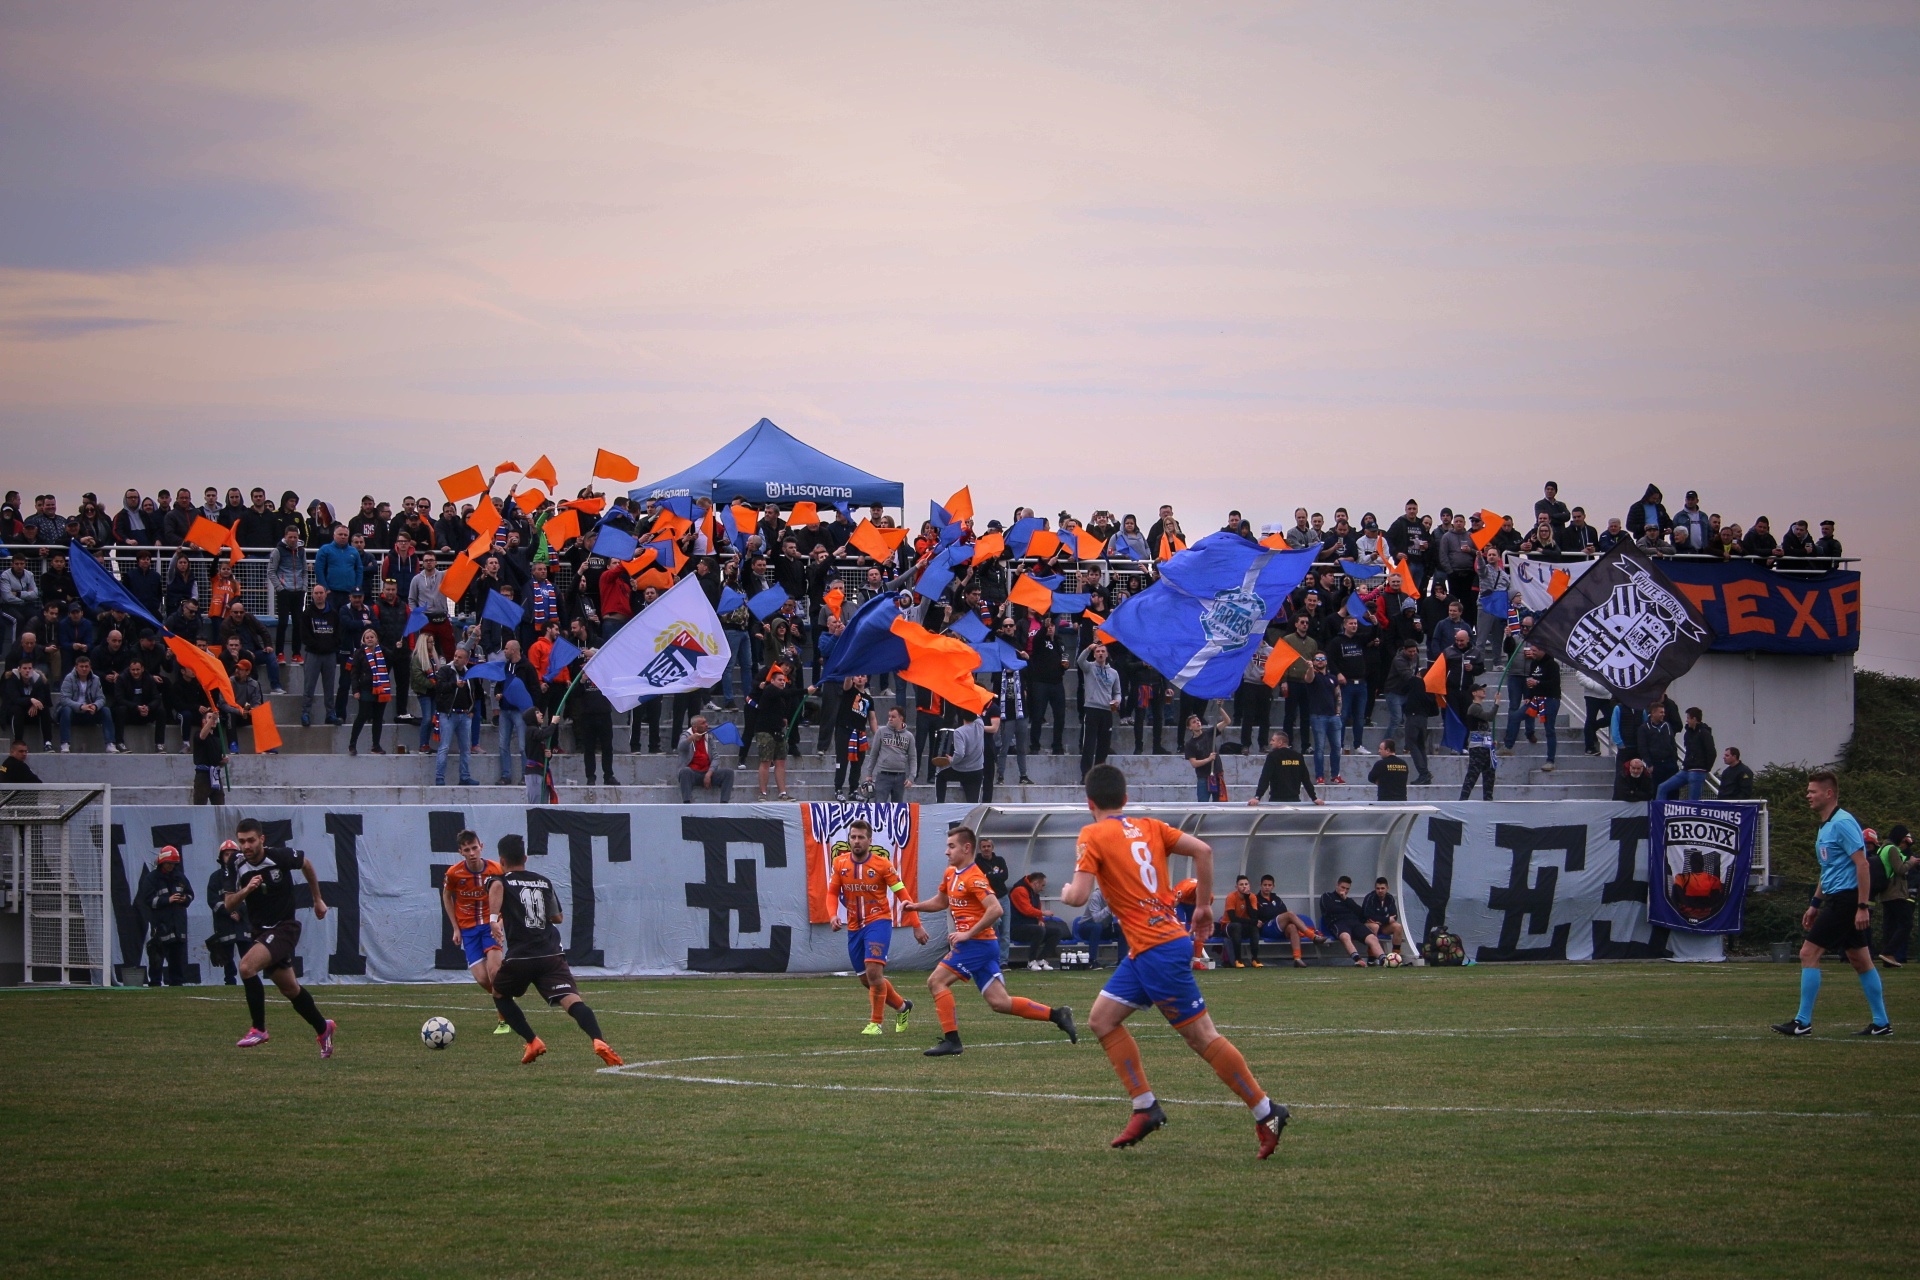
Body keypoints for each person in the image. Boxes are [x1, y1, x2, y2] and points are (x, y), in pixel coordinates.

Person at [1059, 763, 1287, 1157]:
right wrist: (1203, 908)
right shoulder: (1150, 825)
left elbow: (1078, 898)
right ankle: (1145, 1106)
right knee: (1101, 1019)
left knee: (1202, 1037)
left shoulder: (1092, 833)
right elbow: (1203, 850)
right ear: (1126, 800)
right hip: (1149, 947)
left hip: (1157, 949)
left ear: (1089, 803)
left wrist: (1065, 892)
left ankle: (1267, 1110)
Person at [902, 825, 1078, 1057]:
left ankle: (952, 1040)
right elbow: (941, 902)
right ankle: (1057, 1014)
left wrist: (966, 934)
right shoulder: (950, 874)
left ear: (966, 848)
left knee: (936, 982)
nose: (947, 852)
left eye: (951, 846)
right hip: (979, 945)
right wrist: (916, 906)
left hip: (977, 945)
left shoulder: (975, 877)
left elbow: (995, 910)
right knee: (1000, 1002)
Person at [487, 835, 625, 1066]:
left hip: (522, 956)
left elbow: (497, 885)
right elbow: (557, 918)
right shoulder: (543, 881)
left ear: (501, 860)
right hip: (551, 954)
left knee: (499, 994)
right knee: (572, 1001)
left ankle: (532, 1041)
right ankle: (598, 1040)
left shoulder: (500, 880)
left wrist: (493, 919)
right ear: (525, 858)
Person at [1774, 770, 1890, 1037]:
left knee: (1807, 953)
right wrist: (1815, 903)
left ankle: (1802, 1022)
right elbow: (1828, 870)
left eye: (1812, 791)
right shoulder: (1826, 825)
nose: (1808, 795)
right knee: (1860, 959)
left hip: (1847, 899)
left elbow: (1862, 865)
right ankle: (1881, 1022)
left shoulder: (1843, 822)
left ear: (1829, 794)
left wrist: (1862, 906)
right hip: (1838, 897)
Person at [225, 817, 336, 1056]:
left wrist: (317, 899)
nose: (247, 846)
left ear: (261, 839)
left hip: (285, 928)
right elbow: (228, 904)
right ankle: (323, 1027)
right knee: (290, 989)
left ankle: (259, 1029)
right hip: (261, 932)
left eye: (251, 840)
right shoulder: (236, 863)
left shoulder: (279, 857)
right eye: (242, 841)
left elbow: (306, 864)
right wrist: (246, 890)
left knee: (246, 967)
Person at [826, 818, 927, 1035]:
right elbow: (832, 892)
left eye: (861, 837)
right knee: (868, 980)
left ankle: (876, 1023)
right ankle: (902, 1007)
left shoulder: (883, 865)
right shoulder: (840, 863)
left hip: (878, 921)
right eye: (853, 837)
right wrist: (833, 915)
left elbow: (902, 894)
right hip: (854, 927)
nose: (856, 841)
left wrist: (916, 925)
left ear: (869, 841)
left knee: (873, 972)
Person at [442, 830, 507, 1033]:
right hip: (468, 929)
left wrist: (500, 921)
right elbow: (447, 896)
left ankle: (504, 1019)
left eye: (474, 848)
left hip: (490, 925)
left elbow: (506, 896)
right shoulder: (454, 873)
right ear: (461, 852)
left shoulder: (496, 869)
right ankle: (506, 996)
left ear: (481, 846)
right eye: (467, 849)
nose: (472, 853)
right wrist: (455, 927)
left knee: (494, 972)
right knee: (482, 979)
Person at [138, 846, 195, 986]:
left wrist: (185, 899)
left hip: (178, 924)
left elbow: (190, 894)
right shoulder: (152, 878)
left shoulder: (180, 877)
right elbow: (147, 900)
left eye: (173, 864)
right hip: (161, 923)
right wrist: (167, 900)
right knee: (157, 954)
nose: (171, 866)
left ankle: (177, 982)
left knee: (177, 955)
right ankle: (155, 982)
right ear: (162, 862)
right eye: (168, 863)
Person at [431, 645, 478, 786]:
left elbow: (475, 693)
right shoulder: (446, 670)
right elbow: (439, 687)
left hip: (464, 715)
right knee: (444, 747)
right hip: (449, 714)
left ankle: (464, 777)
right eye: (455, 656)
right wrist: (454, 685)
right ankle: (439, 778)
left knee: (465, 748)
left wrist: (472, 709)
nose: (456, 659)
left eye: (459, 657)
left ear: (466, 660)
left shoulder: (469, 674)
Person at [1255, 874, 1322, 968]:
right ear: (1260, 885)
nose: (1267, 887)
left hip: (1279, 927)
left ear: (1273, 886)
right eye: (1265, 885)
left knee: (1292, 927)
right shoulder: (1255, 899)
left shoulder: (1276, 899)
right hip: (1267, 927)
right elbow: (1252, 914)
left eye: (1269, 885)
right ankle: (1312, 935)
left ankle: (1297, 958)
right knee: (1290, 914)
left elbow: (1283, 912)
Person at [1008, 871, 1070, 969]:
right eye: (1042, 885)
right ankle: (1031, 961)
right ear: (1036, 883)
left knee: (1057, 932)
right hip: (1016, 928)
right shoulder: (1019, 890)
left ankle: (1041, 959)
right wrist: (1043, 913)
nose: (1043, 889)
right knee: (1039, 930)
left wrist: (1040, 920)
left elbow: (1037, 908)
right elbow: (1026, 910)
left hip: (1030, 927)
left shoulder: (1034, 893)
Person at [55, 655, 115, 753]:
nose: (84, 669)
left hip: (90, 712)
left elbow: (101, 698)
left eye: (86, 666)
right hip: (73, 713)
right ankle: (65, 743)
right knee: (65, 709)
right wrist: (81, 706)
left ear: (90, 667)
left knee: (106, 710)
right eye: (81, 666)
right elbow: (64, 699)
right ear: (76, 667)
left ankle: (110, 743)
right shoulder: (69, 678)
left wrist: (95, 706)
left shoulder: (96, 679)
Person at [1077, 641, 1120, 775]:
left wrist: (1117, 701)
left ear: (1107, 654)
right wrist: (1088, 648)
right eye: (1098, 652)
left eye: (1102, 651)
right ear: (1094, 655)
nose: (1100, 653)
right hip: (1092, 709)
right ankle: (1086, 774)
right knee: (1089, 745)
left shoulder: (1113, 673)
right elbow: (1080, 661)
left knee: (1104, 746)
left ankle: (1099, 774)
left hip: (1107, 711)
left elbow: (1117, 692)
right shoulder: (1089, 668)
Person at [1656, 707, 1715, 801]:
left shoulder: (1704, 733)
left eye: (1688, 718)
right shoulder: (1688, 733)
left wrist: (1706, 768)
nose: (1686, 721)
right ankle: (1660, 813)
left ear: (1694, 719)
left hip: (1698, 770)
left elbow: (1711, 752)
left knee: (1692, 800)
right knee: (1662, 788)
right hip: (1686, 769)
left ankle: (1691, 815)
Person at [1874, 826, 1912, 970]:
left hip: (1885, 893)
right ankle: (1888, 952)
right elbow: (1900, 869)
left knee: (1889, 927)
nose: (1904, 840)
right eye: (1904, 837)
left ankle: (1887, 960)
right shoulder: (1892, 849)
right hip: (1895, 892)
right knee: (1906, 923)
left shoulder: (1882, 849)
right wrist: (1912, 862)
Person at [1250, 731, 1320, 804]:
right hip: (1295, 801)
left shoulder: (1272, 756)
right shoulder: (1298, 756)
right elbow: (1306, 780)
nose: (1270, 743)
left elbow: (1265, 778)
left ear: (1280, 742)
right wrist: (1314, 798)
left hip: (1276, 802)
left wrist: (1257, 797)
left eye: (1273, 740)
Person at [676, 715, 735, 802]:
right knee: (685, 772)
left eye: (706, 722)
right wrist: (691, 739)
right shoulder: (686, 735)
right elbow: (681, 748)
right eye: (703, 723)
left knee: (729, 773)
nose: (707, 725)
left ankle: (724, 803)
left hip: (707, 772)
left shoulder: (709, 737)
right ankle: (687, 803)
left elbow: (716, 757)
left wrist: (709, 774)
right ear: (695, 727)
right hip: (693, 773)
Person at [1318, 876, 1371, 966]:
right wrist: (1346, 910)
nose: (1344, 891)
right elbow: (1331, 909)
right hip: (1338, 923)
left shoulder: (1348, 901)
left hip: (1354, 923)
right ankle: (1358, 959)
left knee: (1372, 937)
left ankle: (1384, 959)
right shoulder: (1327, 896)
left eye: (1347, 889)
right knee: (1345, 936)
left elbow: (1361, 914)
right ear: (1337, 885)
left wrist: (1346, 900)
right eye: (1343, 887)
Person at [868, 705, 916, 803]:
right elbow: (874, 754)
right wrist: (869, 773)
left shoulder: (909, 736)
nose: (890, 719)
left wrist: (911, 777)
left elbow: (912, 758)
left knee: (897, 808)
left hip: (900, 776)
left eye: (893, 717)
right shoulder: (881, 731)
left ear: (901, 718)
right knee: (879, 806)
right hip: (883, 775)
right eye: (889, 716)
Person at [1181, 710, 1228, 802]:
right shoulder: (1190, 744)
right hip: (1203, 778)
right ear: (1190, 727)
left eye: (1198, 720)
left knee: (1220, 805)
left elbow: (1227, 721)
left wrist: (1220, 708)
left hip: (1217, 775)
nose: (1197, 723)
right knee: (1202, 805)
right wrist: (1209, 759)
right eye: (1194, 722)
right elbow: (1194, 763)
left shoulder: (1210, 733)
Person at [1458, 685, 1496, 800]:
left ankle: (1488, 800)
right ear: (1474, 693)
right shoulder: (1474, 707)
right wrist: (1497, 703)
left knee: (1489, 775)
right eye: (1480, 689)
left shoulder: (1478, 708)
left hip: (1486, 747)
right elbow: (1489, 717)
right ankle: (1463, 800)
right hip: (1478, 747)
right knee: (1473, 775)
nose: (1483, 691)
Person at [190, 704, 227, 805]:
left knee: (220, 805)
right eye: (209, 718)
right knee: (200, 805)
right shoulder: (198, 734)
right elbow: (202, 735)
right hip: (203, 776)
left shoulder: (217, 740)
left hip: (215, 775)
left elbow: (218, 762)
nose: (213, 720)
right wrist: (212, 719)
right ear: (204, 721)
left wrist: (223, 762)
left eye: (214, 718)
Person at [1361, 877, 1406, 961]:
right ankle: (1371, 957)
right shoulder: (1370, 898)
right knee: (1375, 926)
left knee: (1398, 927)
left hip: (1383, 926)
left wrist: (1381, 920)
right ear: (1375, 889)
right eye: (1378, 888)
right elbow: (1367, 915)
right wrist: (1386, 919)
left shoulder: (1390, 898)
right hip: (1368, 925)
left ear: (1387, 888)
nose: (1380, 891)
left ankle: (1395, 956)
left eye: (1382, 888)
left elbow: (1394, 916)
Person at [1224, 875, 1262, 967]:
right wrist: (1253, 921)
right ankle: (1238, 959)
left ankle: (1255, 959)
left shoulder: (1252, 897)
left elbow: (1253, 916)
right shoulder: (1231, 897)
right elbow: (1233, 918)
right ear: (1236, 887)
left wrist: (1247, 898)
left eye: (1246, 884)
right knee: (1237, 926)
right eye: (1241, 884)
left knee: (1254, 928)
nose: (1244, 886)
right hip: (1228, 926)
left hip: (1243, 925)